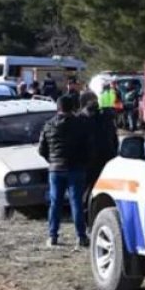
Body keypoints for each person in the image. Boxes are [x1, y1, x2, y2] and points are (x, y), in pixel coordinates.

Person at [37, 94, 92, 248]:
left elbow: (41, 149)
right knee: (76, 203)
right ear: (73, 107)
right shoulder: (81, 124)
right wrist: (84, 162)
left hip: (56, 169)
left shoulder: (48, 125)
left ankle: (53, 235)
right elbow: (88, 146)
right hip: (76, 168)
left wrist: (52, 160)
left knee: (55, 203)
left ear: (57, 108)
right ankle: (81, 236)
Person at [80, 91, 119, 229]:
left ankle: (87, 219)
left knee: (87, 191)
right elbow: (114, 140)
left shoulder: (83, 119)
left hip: (91, 160)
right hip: (108, 157)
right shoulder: (107, 118)